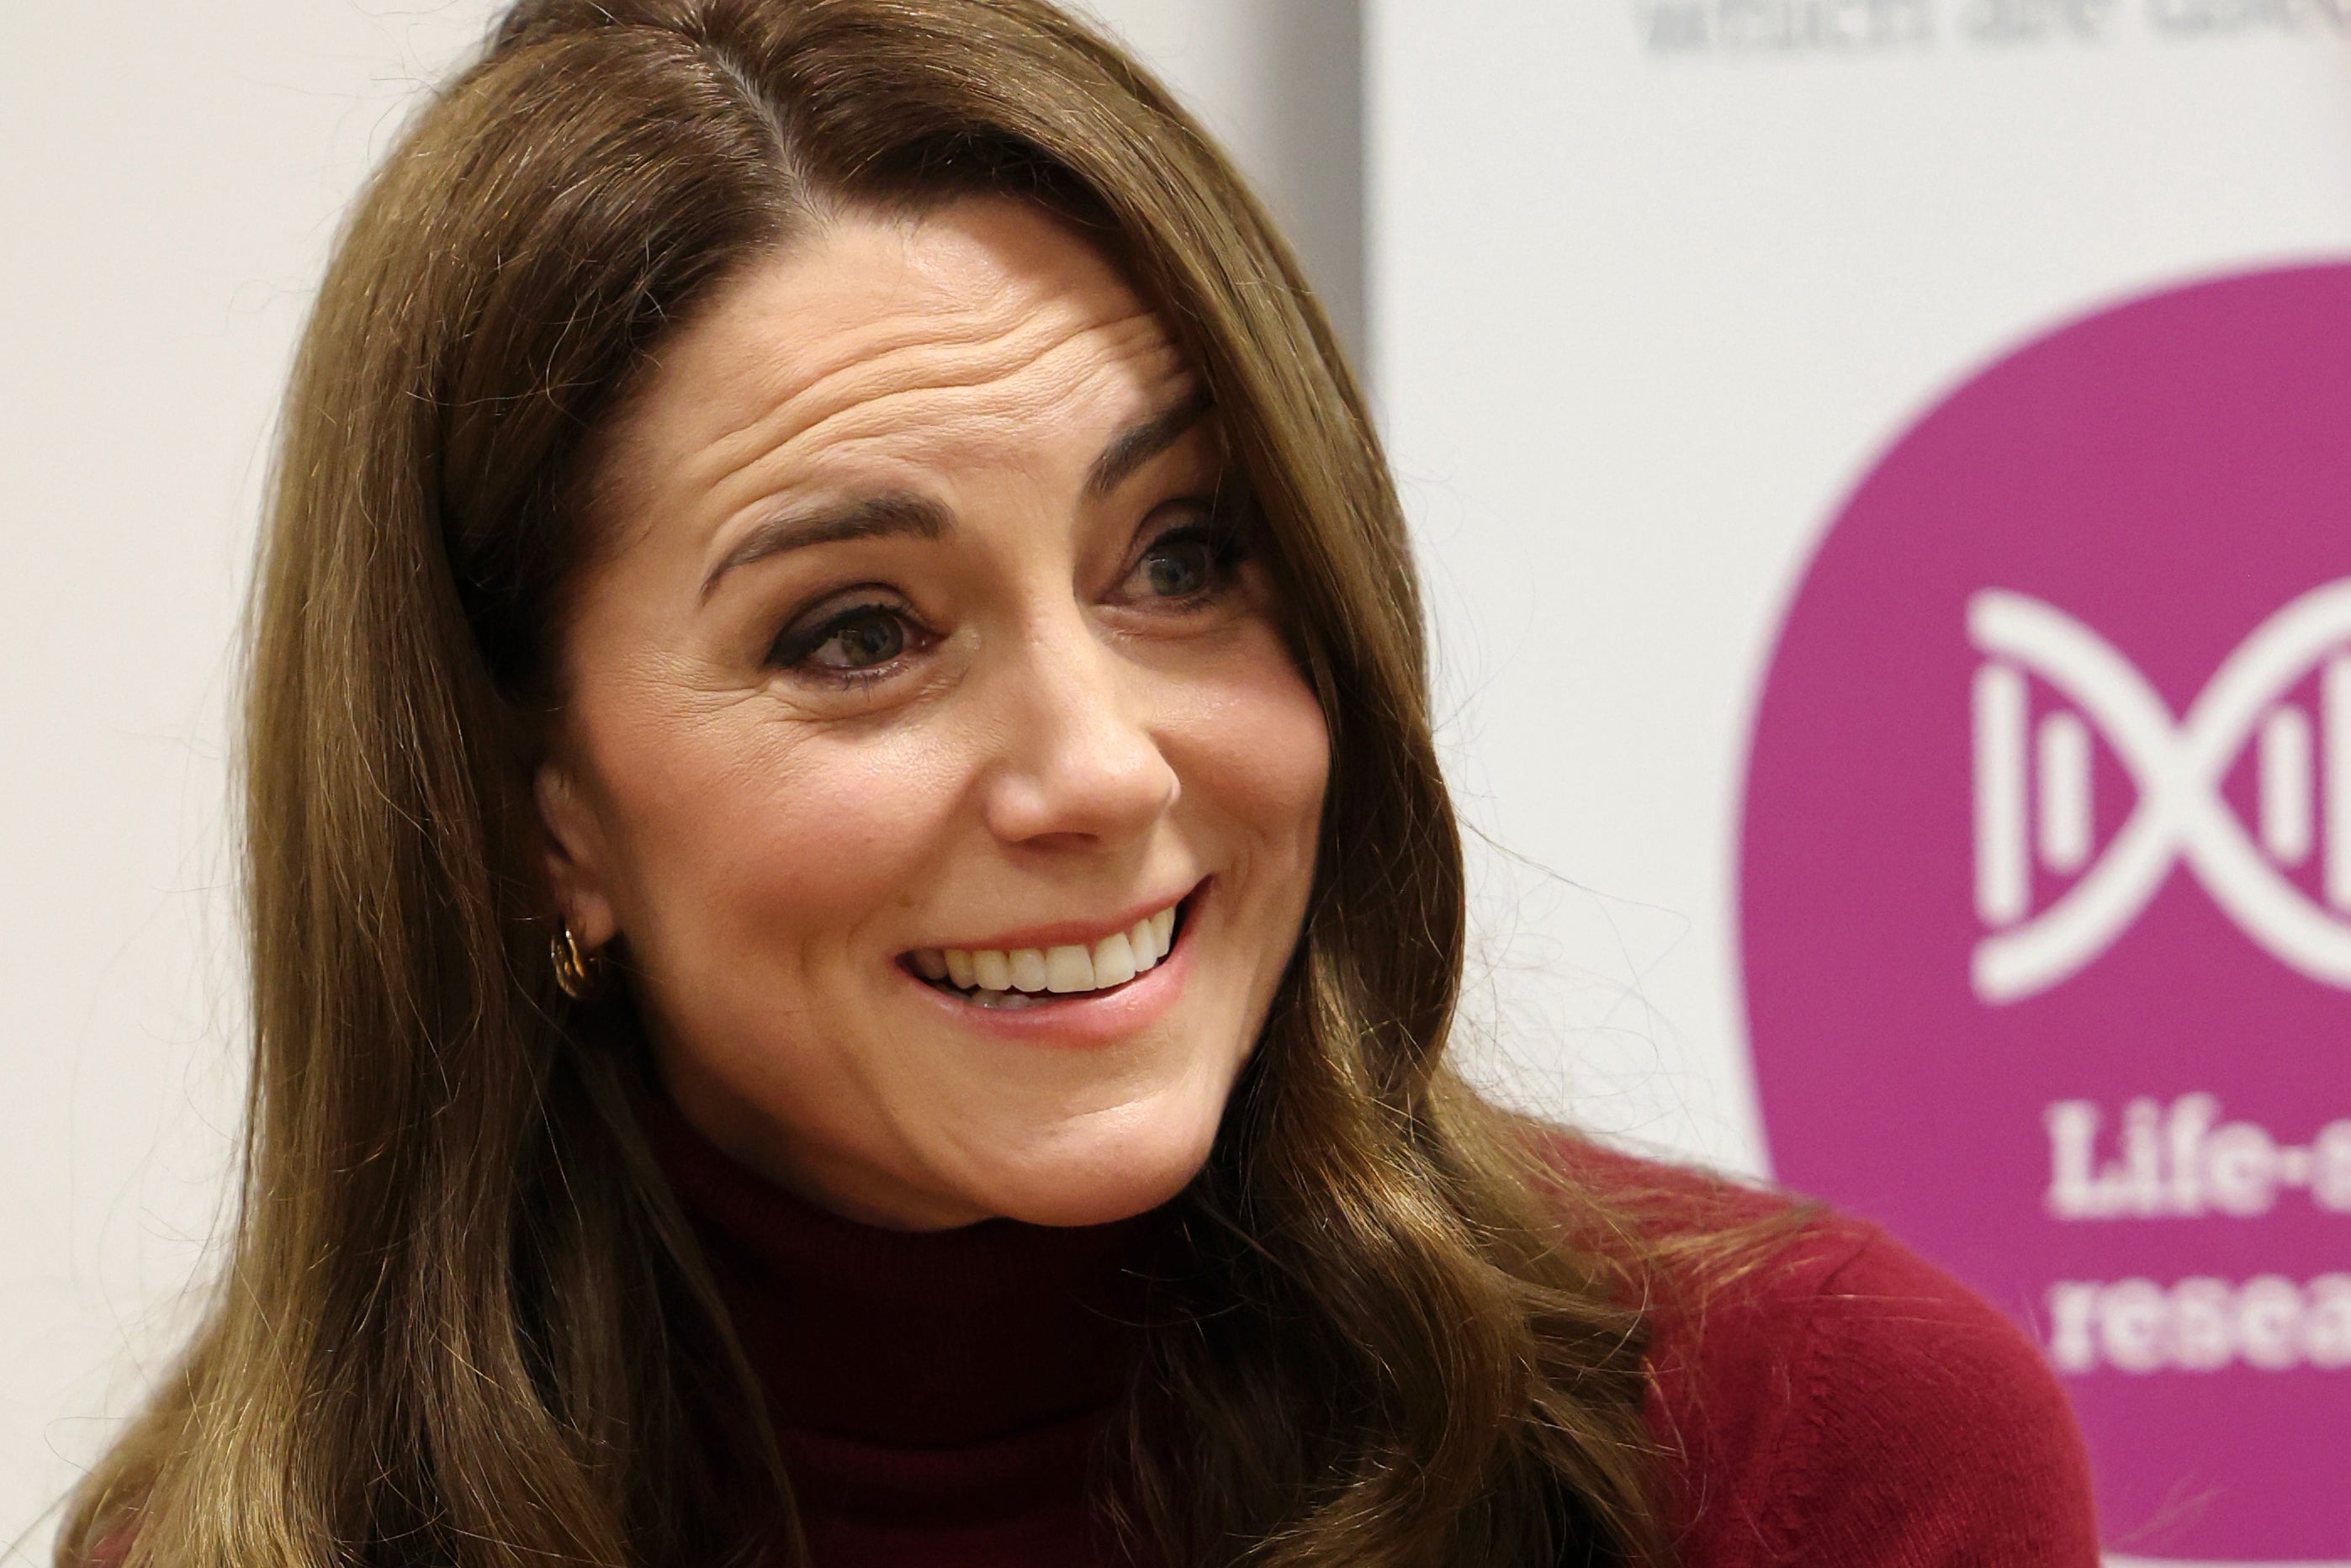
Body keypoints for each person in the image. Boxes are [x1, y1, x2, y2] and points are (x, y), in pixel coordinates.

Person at [61, 2, 2101, 1564]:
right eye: (857, 630)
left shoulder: (1808, 1450)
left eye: (1183, 559)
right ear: (537, 813)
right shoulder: (244, 1529)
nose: (1102, 765)